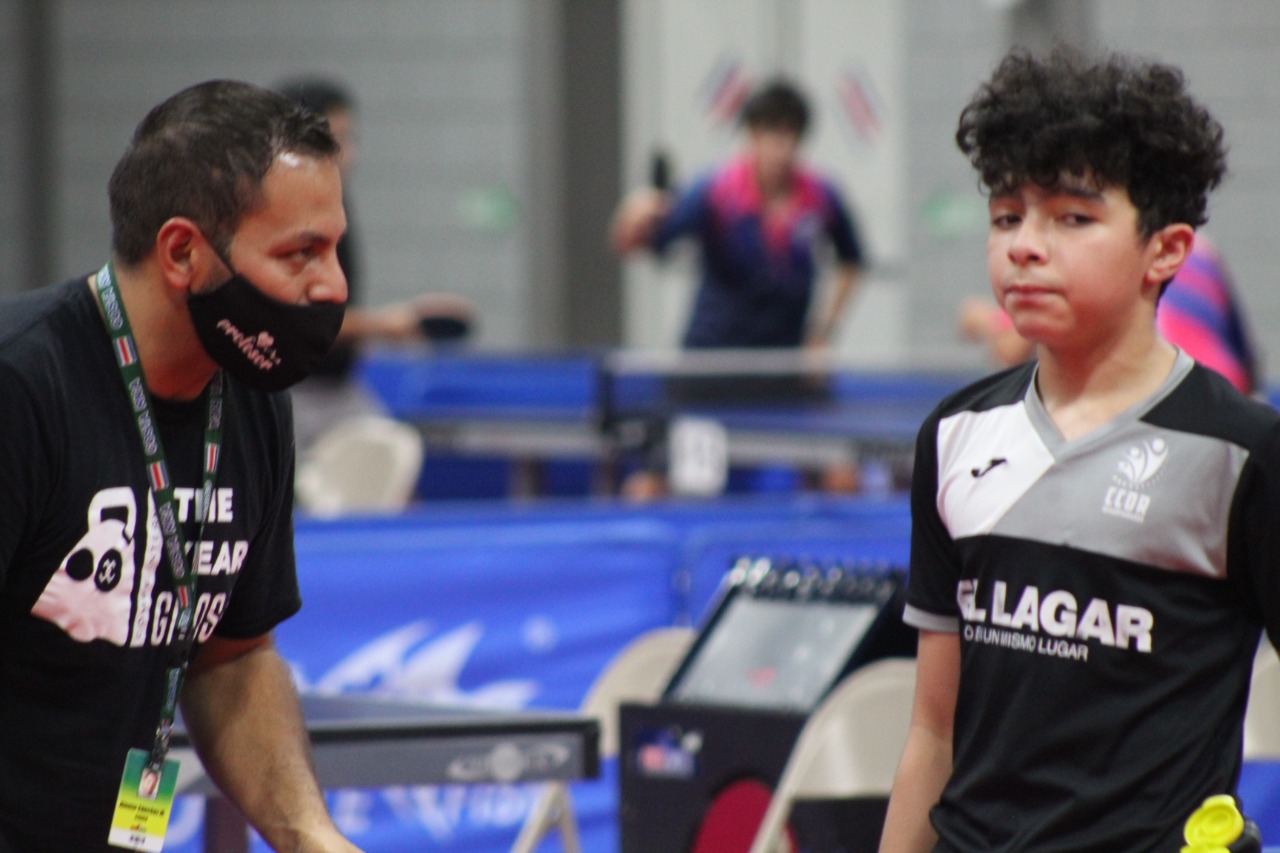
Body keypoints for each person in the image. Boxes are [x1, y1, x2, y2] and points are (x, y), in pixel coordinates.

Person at [880, 48, 1280, 852]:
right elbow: (933, 729)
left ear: (1165, 250)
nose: (1025, 246)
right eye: (1006, 217)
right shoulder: (955, 437)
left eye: (1072, 218)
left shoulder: (1242, 453)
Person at [0, 80, 362, 851]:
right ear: (183, 253)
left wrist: (312, 837)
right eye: (300, 252)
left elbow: (232, 657)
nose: (334, 285)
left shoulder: (252, 401)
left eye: (335, 247)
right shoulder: (21, 387)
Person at [611, 78, 866, 497]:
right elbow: (638, 244)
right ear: (751, 135)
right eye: (769, 132)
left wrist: (823, 333)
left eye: (789, 134)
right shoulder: (714, 192)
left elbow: (853, 260)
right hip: (710, 369)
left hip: (786, 370)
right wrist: (634, 214)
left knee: (844, 479)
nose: (779, 146)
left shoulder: (821, 196)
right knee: (649, 487)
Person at [276, 77, 474, 453]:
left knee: (396, 458)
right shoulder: (282, 216)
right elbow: (298, 319)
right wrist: (388, 324)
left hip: (340, 392)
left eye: (349, 139)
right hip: (291, 394)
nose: (348, 153)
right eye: (335, 139)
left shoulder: (335, 206)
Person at [958, 233, 1259, 395]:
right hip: (1226, 389)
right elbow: (1245, 355)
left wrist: (984, 322)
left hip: (1164, 396)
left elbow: (1009, 348)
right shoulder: (1201, 248)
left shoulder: (1092, 253)